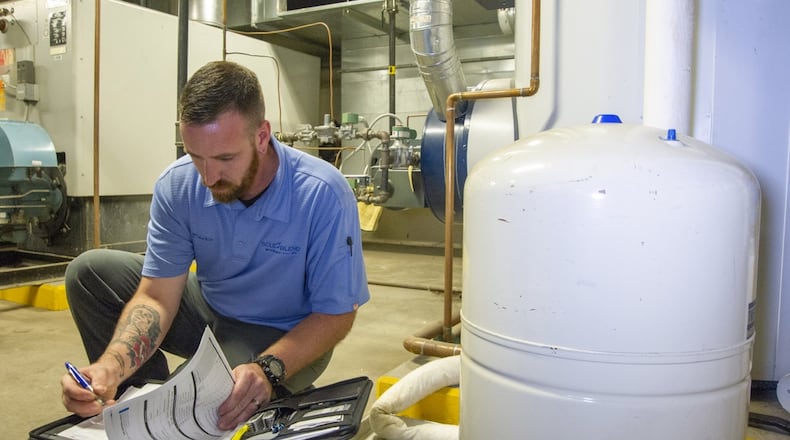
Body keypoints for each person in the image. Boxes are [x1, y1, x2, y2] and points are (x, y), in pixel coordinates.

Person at [60, 60, 370, 431]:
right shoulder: (177, 186)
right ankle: (135, 400)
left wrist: (267, 370)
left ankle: (273, 389)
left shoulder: (322, 194)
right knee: (89, 272)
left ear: (261, 136)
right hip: (209, 308)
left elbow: (336, 314)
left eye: (225, 158)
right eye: (195, 157)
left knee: (210, 404)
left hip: (284, 329)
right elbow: (157, 297)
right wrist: (111, 364)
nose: (209, 177)